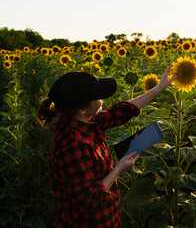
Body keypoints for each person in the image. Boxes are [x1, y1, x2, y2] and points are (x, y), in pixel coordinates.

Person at [36, 65, 177, 227]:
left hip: (106, 216)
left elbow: (121, 112)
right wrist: (118, 169)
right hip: (91, 223)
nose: (102, 99)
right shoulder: (74, 145)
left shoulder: (78, 121)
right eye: (97, 97)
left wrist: (158, 88)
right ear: (82, 109)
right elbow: (89, 200)